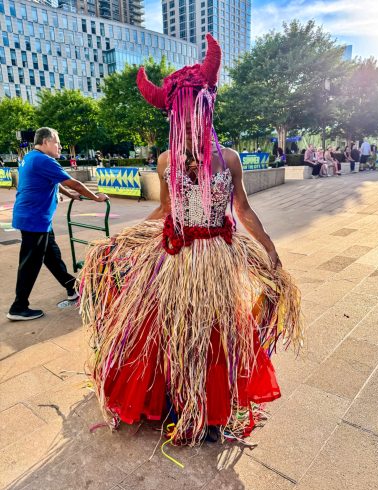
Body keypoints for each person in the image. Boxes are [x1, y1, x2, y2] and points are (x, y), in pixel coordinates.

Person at [78, 35, 302, 446]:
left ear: (207, 108)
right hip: (175, 259)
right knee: (167, 329)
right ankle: (173, 403)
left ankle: (211, 412)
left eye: (196, 111)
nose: (190, 123)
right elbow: (165, 211)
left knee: (215, 333)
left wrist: (269, 248)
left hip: (216, 259)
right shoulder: (166, 161)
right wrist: (123, 239)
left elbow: (244, 211)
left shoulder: (229, 158)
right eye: (182, 116)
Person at [7, 127, 108, 322]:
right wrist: (96, 197)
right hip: (34, 219)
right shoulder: (43, 160)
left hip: (37, 218)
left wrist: (71, 196)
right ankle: (18, 306)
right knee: (30, 264)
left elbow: (57, 182)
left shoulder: (31, 157)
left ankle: (72, 287)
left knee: (52, 256)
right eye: (57, 142)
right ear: (45, 142)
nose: (60, 146)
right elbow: (74, 183)